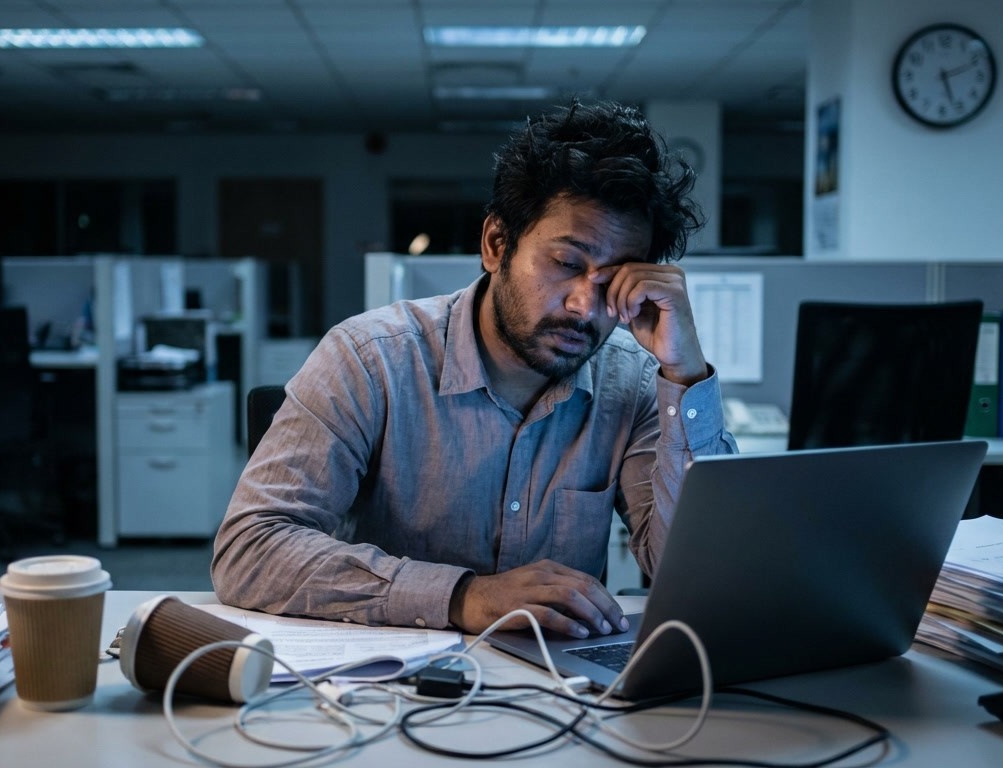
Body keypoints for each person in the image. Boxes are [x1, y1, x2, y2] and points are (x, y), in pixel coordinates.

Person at [212, 100, 738, 640]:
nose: (586, 305)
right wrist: (464, 596)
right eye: (566, 264)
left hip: (565, 689)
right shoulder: (371, 359)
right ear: (495, 244)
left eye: (613, 281)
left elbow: (705, 575)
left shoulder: (634, 383)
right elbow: (250, 548)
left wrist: (685, 373)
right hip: (392, 685)